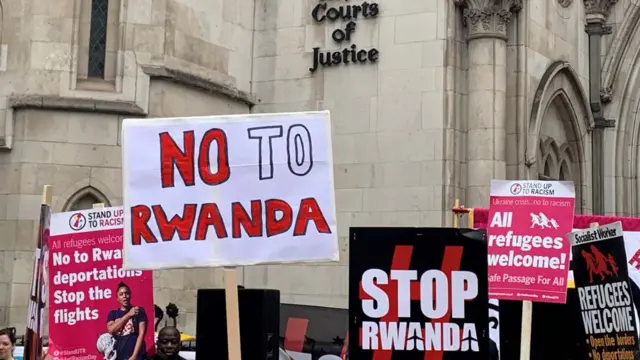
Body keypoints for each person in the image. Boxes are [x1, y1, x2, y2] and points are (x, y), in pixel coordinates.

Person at [107, 282, 148, 360]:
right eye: (121, 294)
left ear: (130, 295)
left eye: (126, 293)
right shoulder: (113, 314)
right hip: (118, 356)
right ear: (117, 298)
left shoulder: (139, 311)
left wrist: (134, 356)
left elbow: (141, 334)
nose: (124, 296)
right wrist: (128, 314)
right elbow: (111, 330)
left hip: (136, 356)